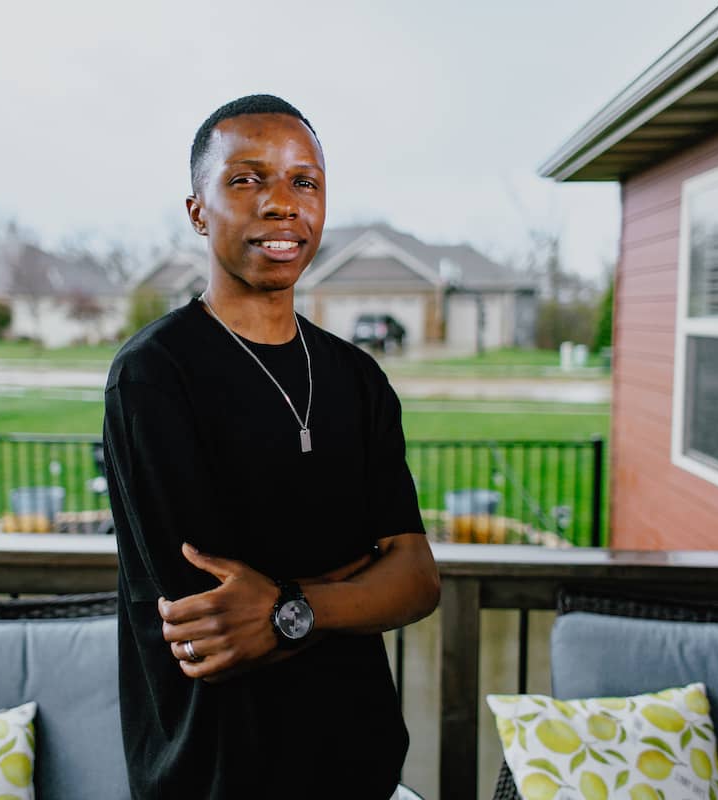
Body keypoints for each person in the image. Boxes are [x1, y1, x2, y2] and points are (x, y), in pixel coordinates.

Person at [103, 94, 440, 800]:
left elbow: (417, 580)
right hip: (217, 775)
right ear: (198, 211)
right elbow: (218, 627)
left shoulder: (358, 378)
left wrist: (290, 605)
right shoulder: (155, 374)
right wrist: (360, 579)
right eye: (246, 179)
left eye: (303, 181)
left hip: (361, 768)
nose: (282, 203)